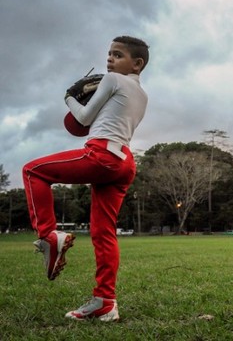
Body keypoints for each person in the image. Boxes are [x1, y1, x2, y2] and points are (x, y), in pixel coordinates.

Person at [23, 35, 150, 322]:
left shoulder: (113, 80)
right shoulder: (142, 95)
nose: (110, 59)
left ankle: (48, 236)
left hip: (102, 153)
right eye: (109, 54)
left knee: (32, 171)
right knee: (103, 233)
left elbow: (82, 119)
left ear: (137, 63)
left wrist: (68, 97)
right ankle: (105, 301)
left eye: (118, 55)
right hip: (125, 161)